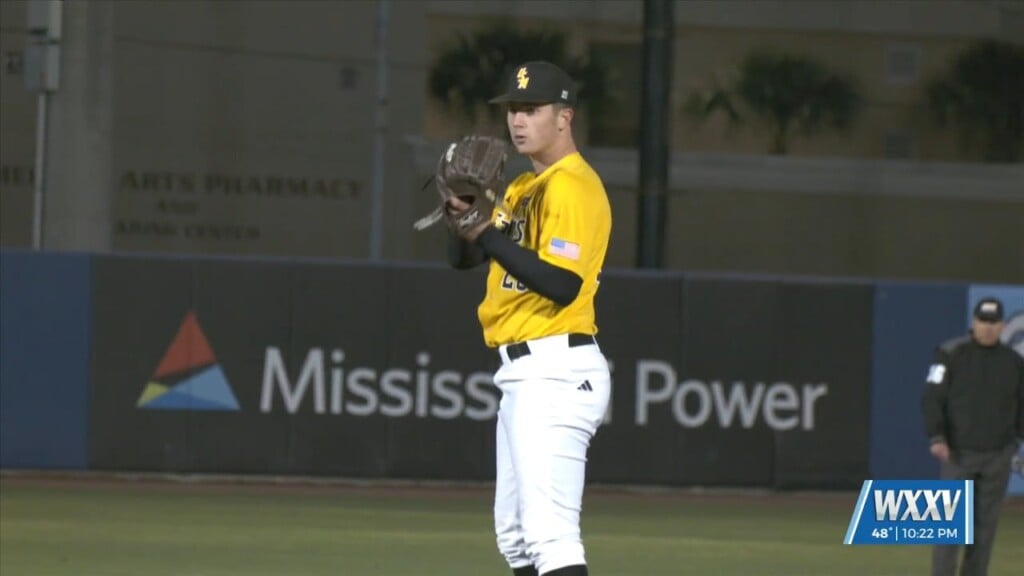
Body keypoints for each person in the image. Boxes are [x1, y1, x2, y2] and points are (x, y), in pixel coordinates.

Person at [444, 61, 612, 576]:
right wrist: (462, 214)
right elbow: (466, 259)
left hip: (556, 368)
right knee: (517, 541)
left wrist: (485, 232)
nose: (518, 120)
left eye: (532, 109)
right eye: (513, 109)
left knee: (550, 539)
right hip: (525, 372)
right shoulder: (522, 188)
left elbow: (562, 285)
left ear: (564, 117)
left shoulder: (574, 186)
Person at [921, 296, 1024, 576]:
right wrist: (937, 436)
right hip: (958, 454)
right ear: (973, 322)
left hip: (997, 457)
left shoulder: (1014, 362)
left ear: (1002, 326)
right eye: (983, 321)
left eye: (993, 322)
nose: (988, 327)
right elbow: (932, 397)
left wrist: (1016, 441)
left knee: (984, 532)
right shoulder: (950, 353)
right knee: (948, 530)